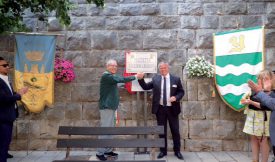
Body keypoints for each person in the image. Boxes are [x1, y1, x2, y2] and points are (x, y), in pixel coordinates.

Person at [137, 62, 184, 160]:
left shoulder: (176, 79)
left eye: (164, 68)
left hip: (172, 109)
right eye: (161, 68)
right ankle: (163, 151)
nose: (163, 70)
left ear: (168, 68)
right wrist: (140, 79)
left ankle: (177, 151)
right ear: (159, 70)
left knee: (175, 130)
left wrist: (176, 97)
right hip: (160, 109)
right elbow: (145, 87)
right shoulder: (156, 79)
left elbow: (181, 91)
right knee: (162, 131)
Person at [96, 59, 137, 161]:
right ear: (107, 66)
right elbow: (120, 79)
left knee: (110, 130)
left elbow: (118, 81)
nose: (114, 67)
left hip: (112, 107)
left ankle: (108, 150)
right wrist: (135, 76)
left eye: (115, 66)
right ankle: (100, 152)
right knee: (105, 130)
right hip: (107, 107)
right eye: (112, 65)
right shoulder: (107, 76)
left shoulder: (111, 77)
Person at [0, 57, 28, 162]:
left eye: (7, 65)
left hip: (9, 116)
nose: (7, 67)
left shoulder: (6, 79)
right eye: (4, 65)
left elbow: (9, 95)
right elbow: (3, 99)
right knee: (3, 143)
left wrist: (18, 93)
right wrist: (19, 95)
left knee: (6, 142)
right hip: (3, 117)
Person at [241, 70, 273, 162]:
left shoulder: (271, 93)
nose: (262, 80)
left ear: (271, 80)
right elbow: (250, 103)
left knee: (262, 140)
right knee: (254, 138)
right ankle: (255, 160)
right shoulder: (254, 91)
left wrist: (251, 102)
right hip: (253, 117)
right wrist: (246, 101)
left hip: (263, 119)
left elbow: (264, 105)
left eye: (265, 79)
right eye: (260, 78)